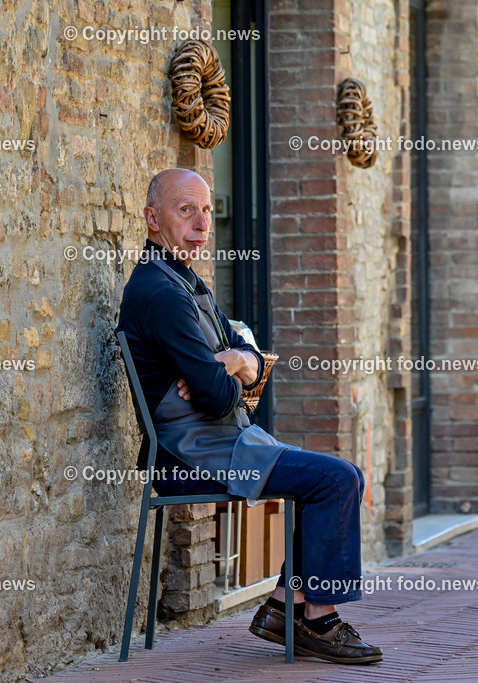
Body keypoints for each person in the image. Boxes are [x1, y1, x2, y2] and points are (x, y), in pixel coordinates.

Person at [115, 168, 383, 665]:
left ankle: (286, 607)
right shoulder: (160, 293)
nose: (201, 225)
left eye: (205, 211)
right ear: (152, 218)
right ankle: (316, 619)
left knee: (339, 476)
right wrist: (226, 373)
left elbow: (253, 357)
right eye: (185, 211)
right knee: (337, 480)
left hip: (228, 442)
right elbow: (220, 399)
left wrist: (233, 360)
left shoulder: (187, 282)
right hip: (187, 456)